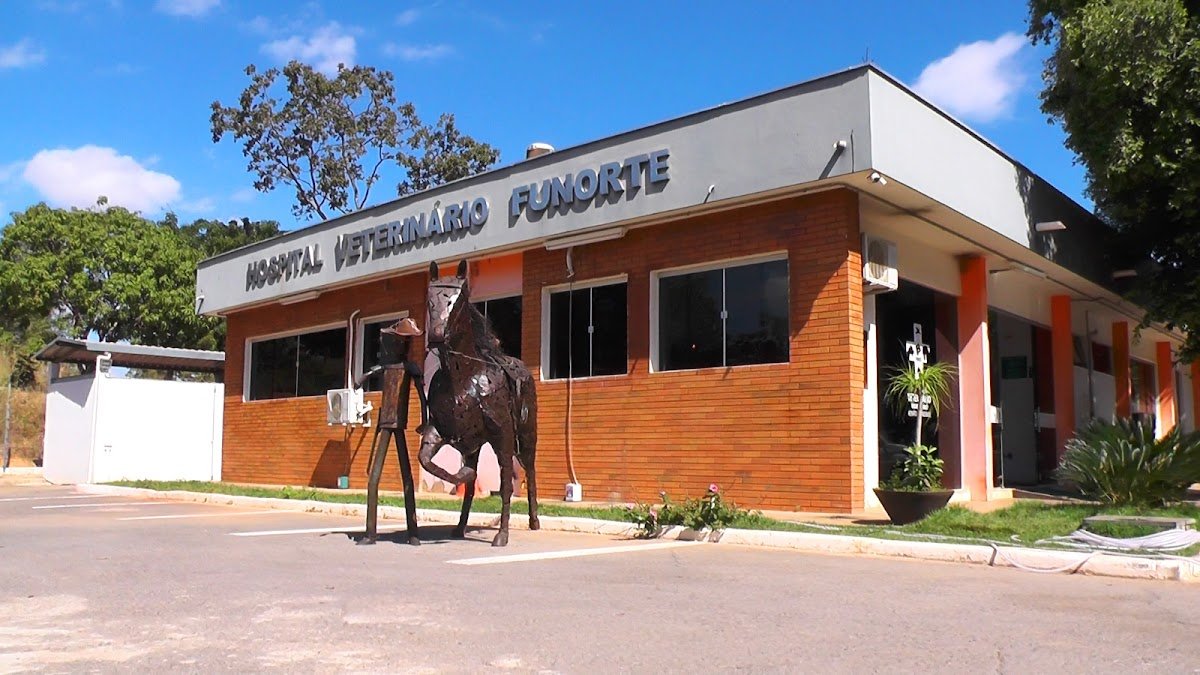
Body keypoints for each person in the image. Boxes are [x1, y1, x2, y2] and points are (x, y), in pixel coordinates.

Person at [358, 316, 427, 545]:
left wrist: (425, 421)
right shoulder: (386, 368)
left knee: (407, 479)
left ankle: (413, 532)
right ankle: (370, 532)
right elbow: (362, 378)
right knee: (373, 479)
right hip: (385, 424)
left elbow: (422, 398)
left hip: (398, 423)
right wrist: (365, 376)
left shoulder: (410, 369)